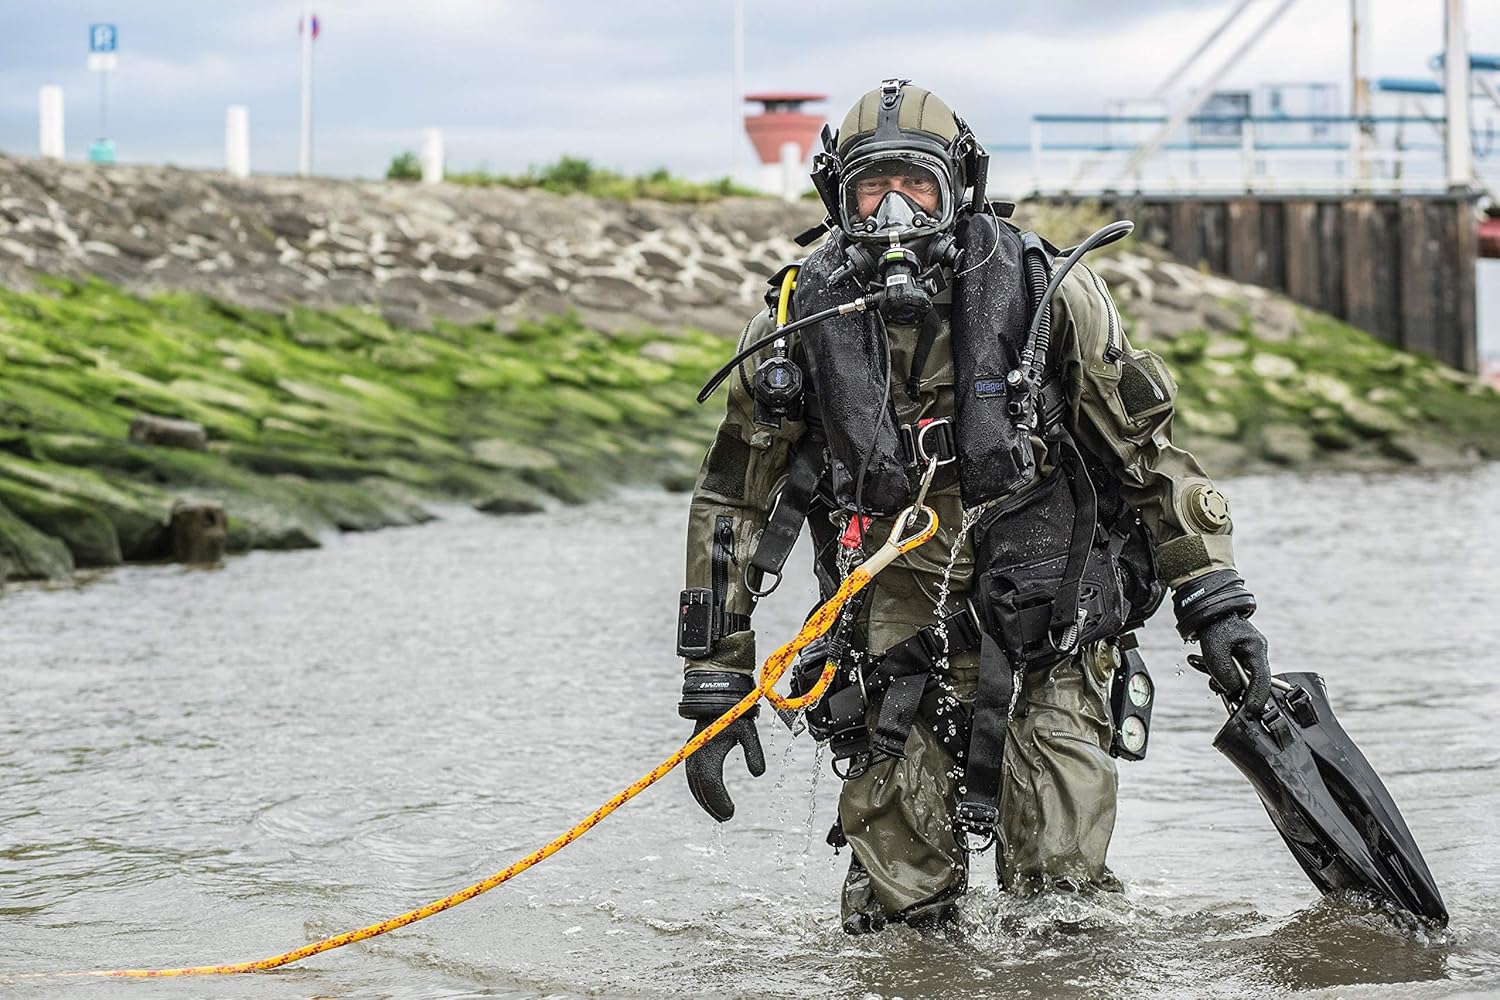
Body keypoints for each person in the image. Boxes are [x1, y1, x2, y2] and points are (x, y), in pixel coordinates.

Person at [674, 79, 1270, 933]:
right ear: (835, 196)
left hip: (1050, 638)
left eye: (916, 185)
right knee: (898, 929)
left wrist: (1217, 605)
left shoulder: (1046, 294)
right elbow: (732, 499)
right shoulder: (796, 321)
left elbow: (1149, 459)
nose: (892, 214)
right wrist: (716, 681)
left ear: (962, 184)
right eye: (869, 189)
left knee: (1064, 924)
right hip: (889, 653)